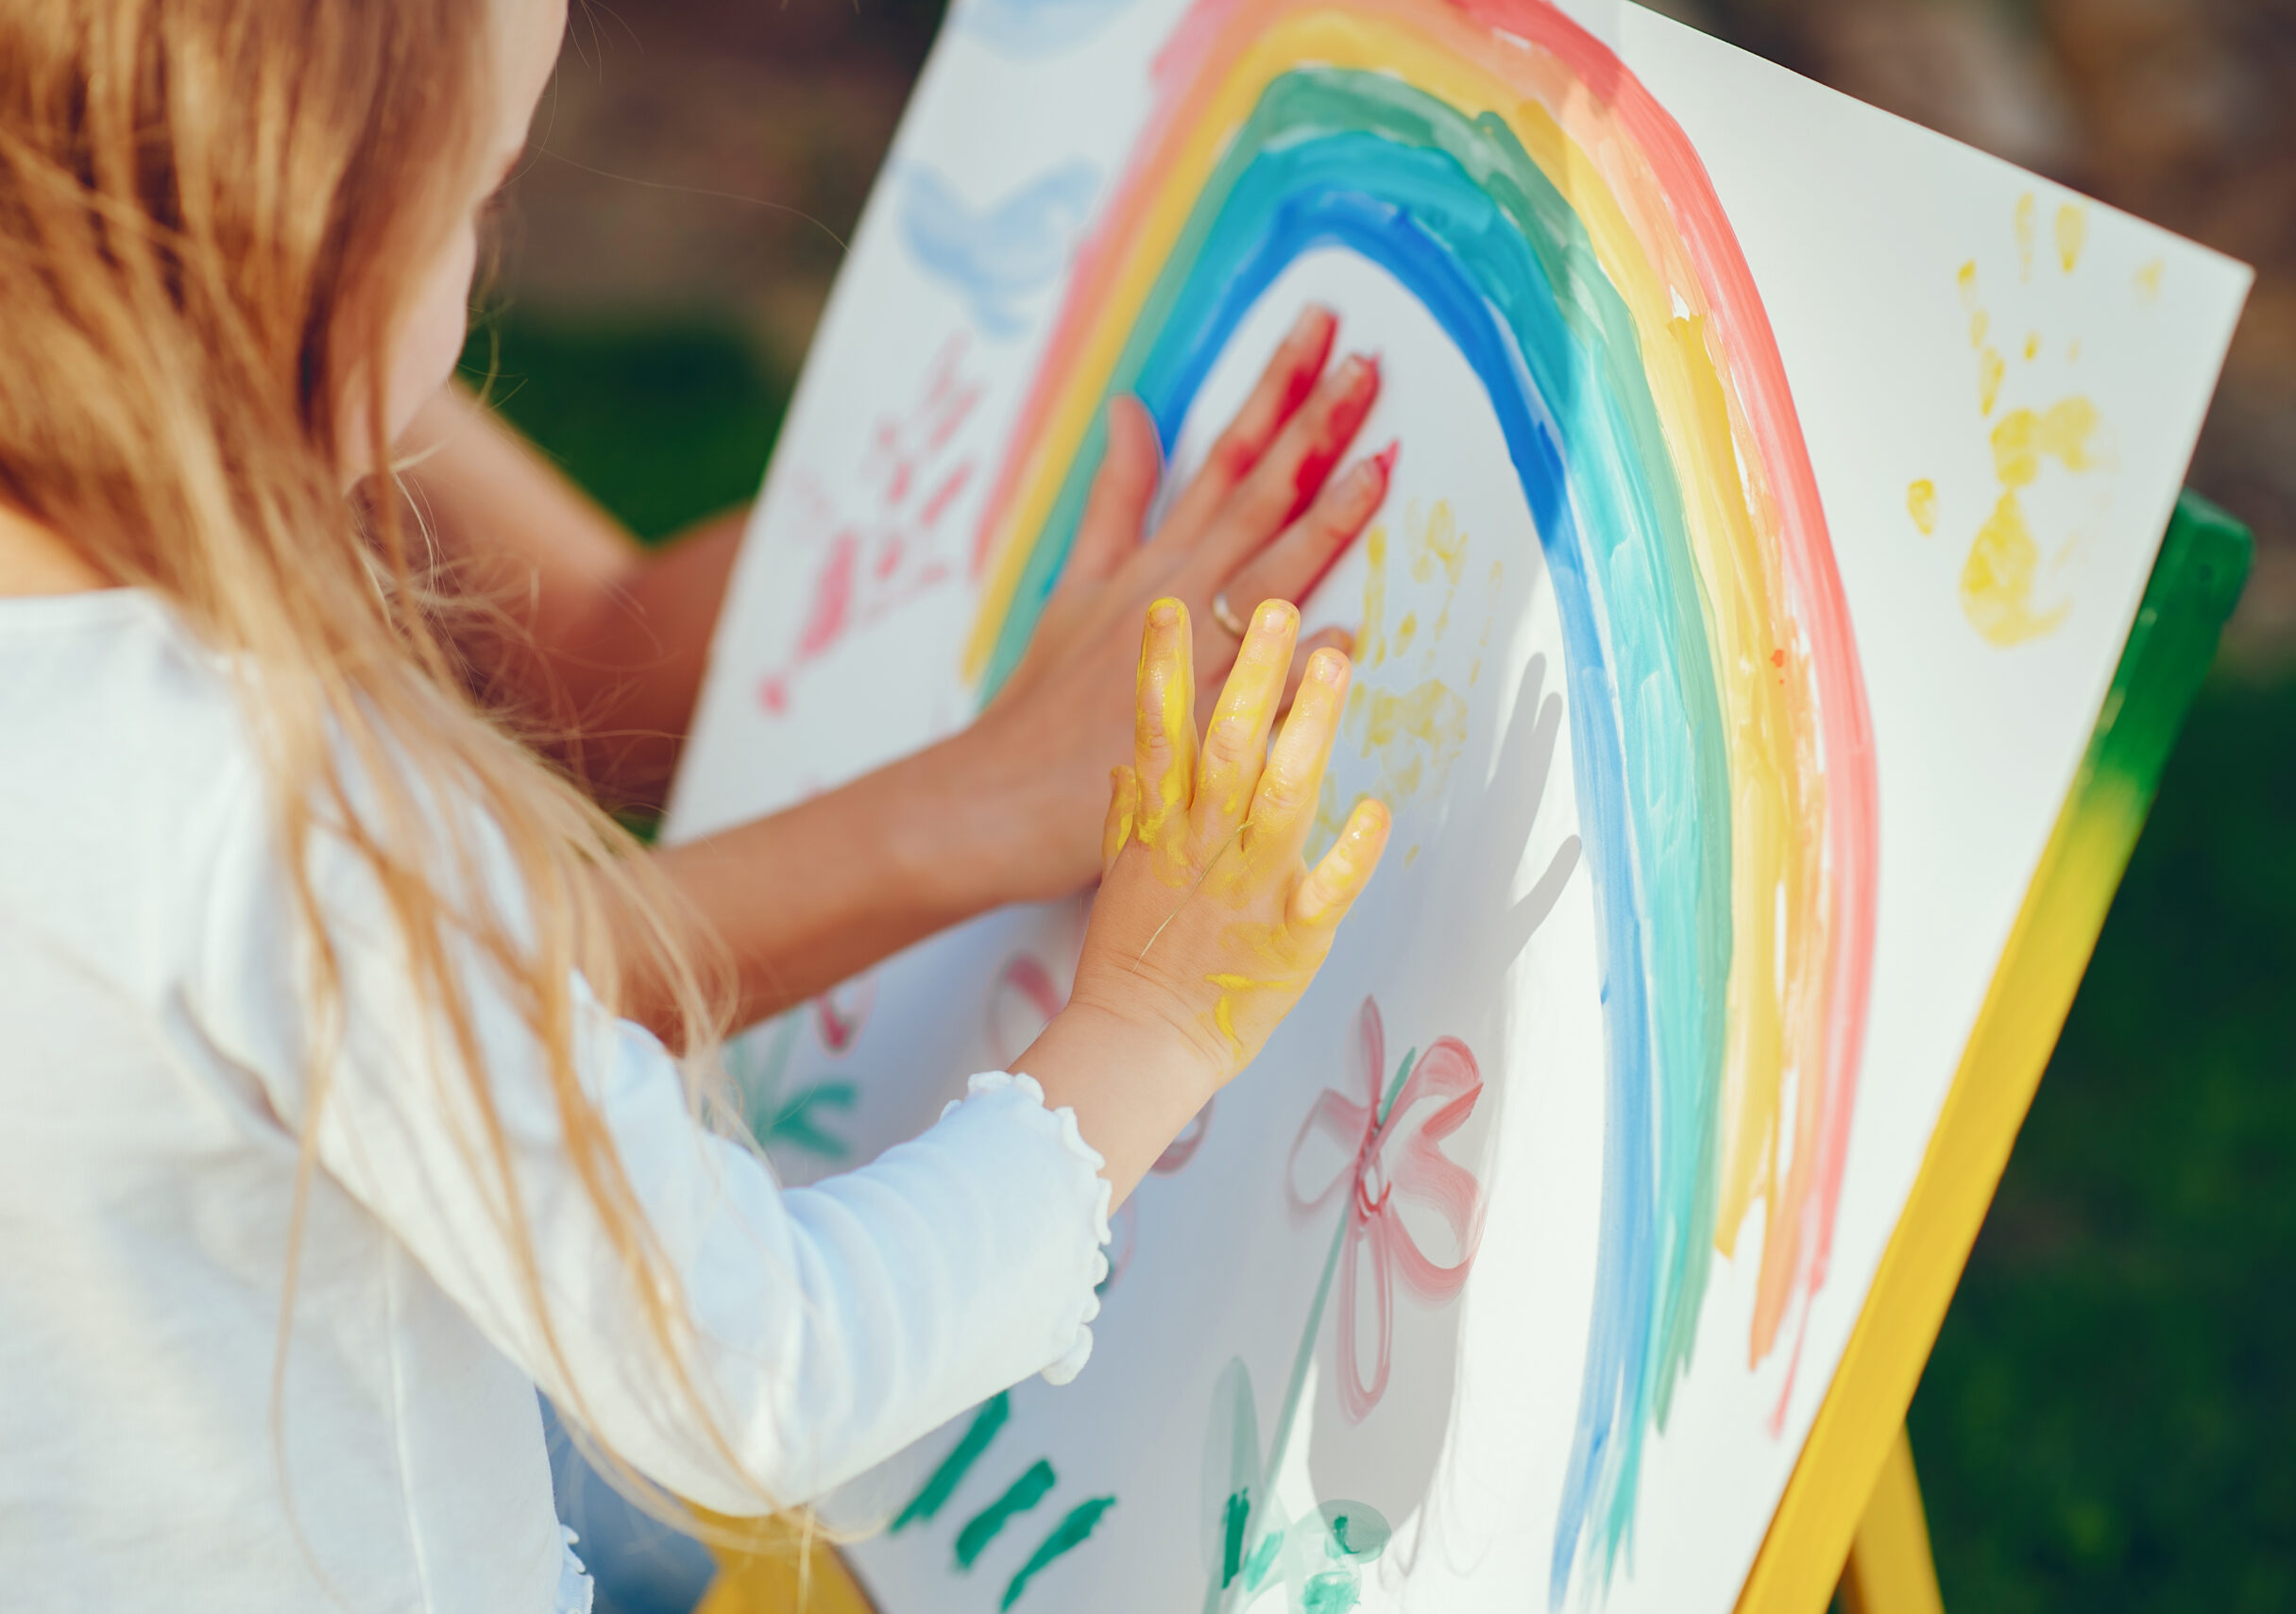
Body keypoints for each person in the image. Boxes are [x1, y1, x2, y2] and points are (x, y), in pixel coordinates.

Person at [0, 2, 1394, 1609]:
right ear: (314, 238)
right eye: (480, 200)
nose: (476, 273)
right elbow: (759, 1368)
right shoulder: (292, 814)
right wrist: (1150, 1020)